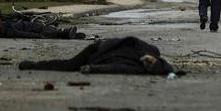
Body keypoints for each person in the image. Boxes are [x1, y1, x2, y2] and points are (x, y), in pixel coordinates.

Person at [18, 36, 177, 75]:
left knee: (69, 66)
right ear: (156, 59)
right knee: (69, 65)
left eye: (148, 65)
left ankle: (34, 65)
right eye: (151, 61)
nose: (147, 62)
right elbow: (129, 40)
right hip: (99, 49)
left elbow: (115, 68)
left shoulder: (138, 68)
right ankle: (34, 65)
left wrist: (93, 68)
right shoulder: (151, 49)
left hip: (99, 56)